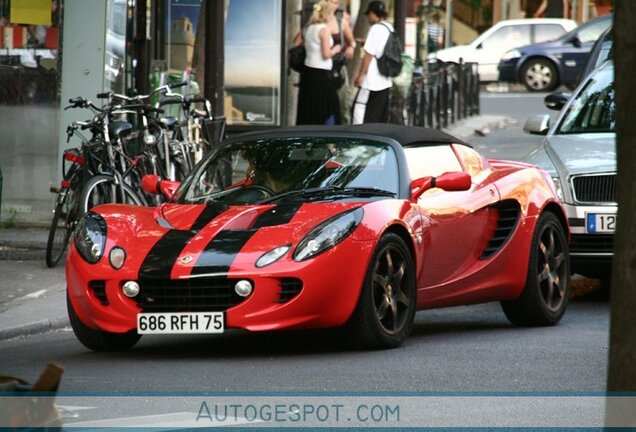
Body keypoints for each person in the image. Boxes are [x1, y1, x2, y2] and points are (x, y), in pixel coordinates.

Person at [296, 0, 343, 125]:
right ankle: (329, 136)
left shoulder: (308, 28)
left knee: (309, 108)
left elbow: (296, 42)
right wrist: (336, 49)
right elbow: (326, 54)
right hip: (322, 74)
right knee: (329, 107)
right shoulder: (324, 30)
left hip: (308, 72)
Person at [351, 0, 394, 124]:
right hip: (385, 79)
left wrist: (360, 76)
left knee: (359, 108)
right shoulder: (388, 27)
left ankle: (358, 135)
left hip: (371, 80)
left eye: (369, 14)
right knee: (379, 114)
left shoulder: (375, 29)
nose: (368, 18)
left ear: (373, 14)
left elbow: (368, 55)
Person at [327, 1, 357, 124]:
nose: (333, 5)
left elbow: (352, 42)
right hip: (320, 69)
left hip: (338, 69)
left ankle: (345, 136)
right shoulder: (317, 22)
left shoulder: (341, 22)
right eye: (330, 1)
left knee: (343, 105)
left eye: (335, 2)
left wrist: (351, 48)